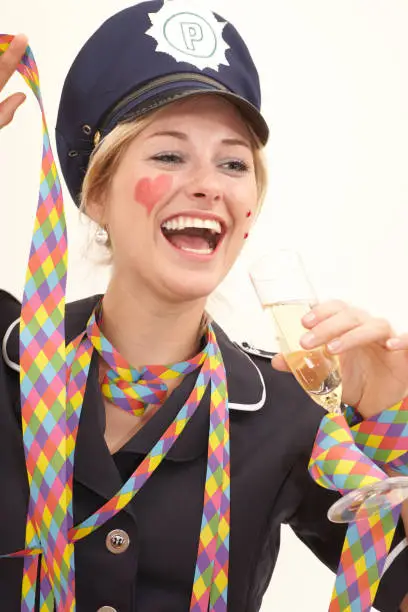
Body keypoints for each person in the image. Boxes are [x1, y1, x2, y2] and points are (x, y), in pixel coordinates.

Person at [1, 2, 407, 611]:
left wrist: (395, 421)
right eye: (168, 155)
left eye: (234, 163)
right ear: (98, 196)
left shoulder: (291, 406)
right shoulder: (9, 354)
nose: (210, 184)